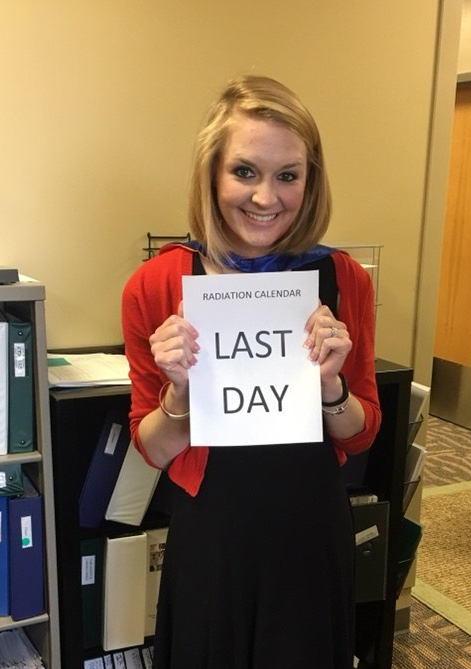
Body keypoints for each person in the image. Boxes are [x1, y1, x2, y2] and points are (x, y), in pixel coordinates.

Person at [122, 74, 381, 669]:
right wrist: (179, 394)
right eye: (245, 171)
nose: (266, 197)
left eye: (288, 175)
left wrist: (331, 387)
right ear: (212, 174)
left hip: (309, 527)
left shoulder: (344, 278)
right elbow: (153, 449)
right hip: (214, 531)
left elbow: (362, 433)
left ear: (310, 181)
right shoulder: (156, 285)